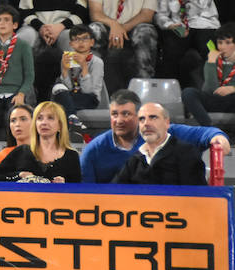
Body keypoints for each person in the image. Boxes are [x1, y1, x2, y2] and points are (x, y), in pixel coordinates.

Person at [82, 88, 229, 182]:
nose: (119, 120)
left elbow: (206, 133)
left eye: (126, 114)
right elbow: (85, 195)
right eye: (114, 114)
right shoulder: (94, 150)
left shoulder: (163, 133)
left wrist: (219, 139)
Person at [18, 0, 87, 96]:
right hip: (36, 28)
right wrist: (41, 27)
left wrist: (60, 27)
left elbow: (80, 13)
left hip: (64, 29)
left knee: (74, 40)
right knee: (23, 37)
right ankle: (23, 92)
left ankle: (73, 90)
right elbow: (25, 11)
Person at [113, 102, 207, 185]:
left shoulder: (187, 154)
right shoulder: (134, 160)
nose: (146, 123)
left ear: (167, 123)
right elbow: (111, 193)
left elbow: (197, 199)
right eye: (141, 119)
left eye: (153, 117)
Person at [0, 101, 81, 182]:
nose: (44, 122)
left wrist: (65, 185)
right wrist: (18, 176)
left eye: (50, 118)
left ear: (60, 125)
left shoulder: (71, 156)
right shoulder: (21, 152)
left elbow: (80, 192)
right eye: (39, 118)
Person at [0, 6, 34, 139]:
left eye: (6, 20)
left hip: (15, 93)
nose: (2, 23)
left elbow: (29, 75)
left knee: (12, 116)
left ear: (15, 25)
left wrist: (21, 94)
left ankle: (12, 150)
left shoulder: (23, 46)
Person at [181, 24, 235, 127]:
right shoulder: (212, 62)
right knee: (188, 93)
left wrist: (232, 88)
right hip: (215, 99)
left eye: (228, 43)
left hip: (232, 101)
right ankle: (210, 128)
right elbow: (209, 89)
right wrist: (211, 62)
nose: (222, 47)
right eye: (220, 43)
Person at [51, 25, 106, 124]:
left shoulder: (97, 62)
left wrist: (84, 67)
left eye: (84, 38)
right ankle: (73, 119)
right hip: (71, 95)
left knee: (58, 104)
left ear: (92, 42)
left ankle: (72, 119)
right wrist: (64, 70)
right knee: (57, 87)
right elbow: (68, 87)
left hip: (90, 98)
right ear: (71, 44)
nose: (80, 42)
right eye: (76, 39)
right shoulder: (68, 59)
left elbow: (88, 91)